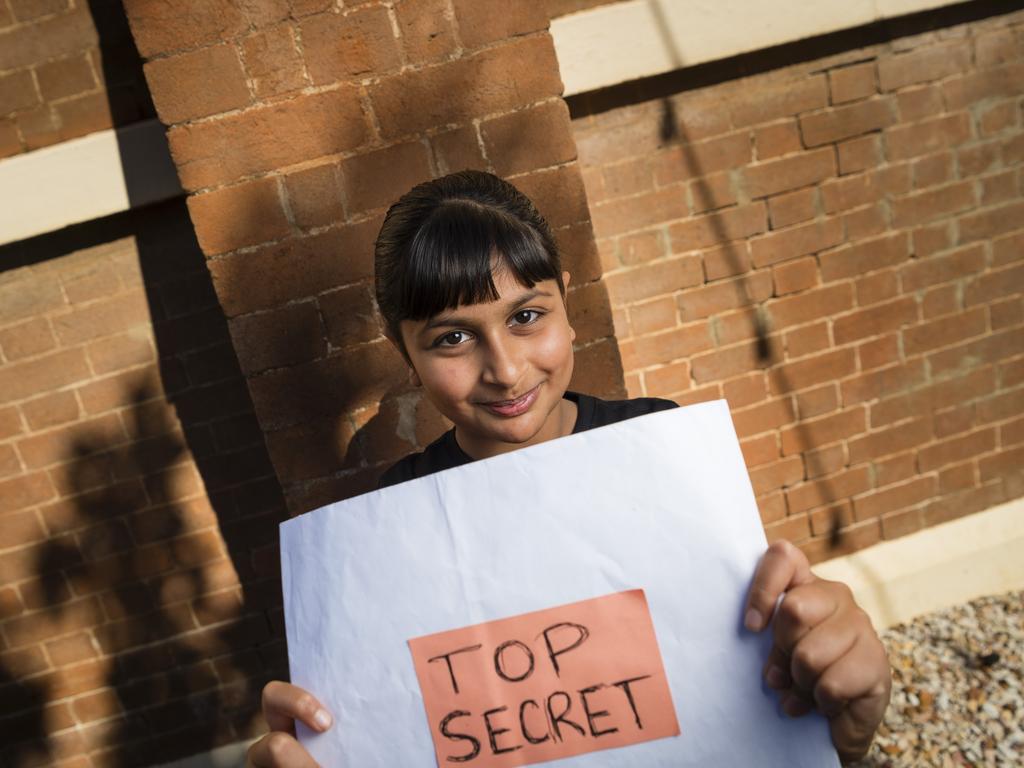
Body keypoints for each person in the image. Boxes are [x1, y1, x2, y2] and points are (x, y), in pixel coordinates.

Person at [246, 171, 891, 767]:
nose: (504, 368)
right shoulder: (391, 519)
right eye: (452, 337)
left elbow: (733, 677)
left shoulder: (657, 445)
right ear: (404, 352)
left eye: (526, 316)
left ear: (566, 302)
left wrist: (839, 723)